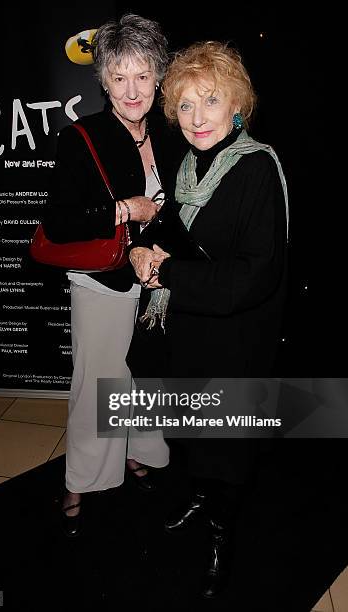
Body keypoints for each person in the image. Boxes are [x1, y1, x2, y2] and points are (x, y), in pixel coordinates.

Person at [128, 41, 288, 598]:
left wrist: (170, 276)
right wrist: (141, 253)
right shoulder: (188, 165)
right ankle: (201, 496)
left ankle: (224, 528)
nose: (197, 118)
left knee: (228, 440)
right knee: (196, 432)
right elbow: (171, 229)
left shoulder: (255, 169)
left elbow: (254, 275)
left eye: (210, 101)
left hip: (236, 337)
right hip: (190, 331)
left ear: (236, 105)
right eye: (186, 104)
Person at [42, 14, 185, 537]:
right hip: (102, 282)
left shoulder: (171, 135)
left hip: (155, 281)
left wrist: (159, 247)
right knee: (95, 383)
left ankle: (139, 453)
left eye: (143, 76)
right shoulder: (82, 137)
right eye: (120, 77)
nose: (132, 90)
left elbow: (177, 209)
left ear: (158, 78)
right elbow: (59, 220)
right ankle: (79, 481)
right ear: (103, 78)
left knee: (142, 377)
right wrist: (128, 209)